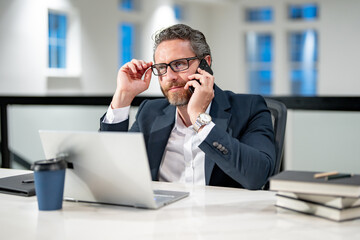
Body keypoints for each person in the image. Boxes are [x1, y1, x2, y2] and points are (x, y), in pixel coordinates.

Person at [100, 24, 275, 189]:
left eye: (179, 64)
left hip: (220, 218)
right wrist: (123, 96)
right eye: (161, 67)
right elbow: (110, 169)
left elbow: (257, 176)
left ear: (205, 64)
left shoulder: (249, 108)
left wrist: (200, 120)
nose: (169, 76)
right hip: (160, 217)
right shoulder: (150, 113)